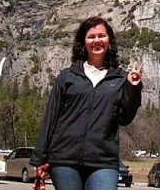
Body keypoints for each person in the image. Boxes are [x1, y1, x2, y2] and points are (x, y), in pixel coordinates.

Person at [29, 16, 143, 190]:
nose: (97, 40)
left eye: (101, 36)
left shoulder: (120, 78)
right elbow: (50, 119)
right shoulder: (67, 77)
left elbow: (124, 119)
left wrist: (133, 89)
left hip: (103, 160)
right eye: (91, 37)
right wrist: (40, 159)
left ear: (109, 41)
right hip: (64, 159)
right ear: (83, 42)